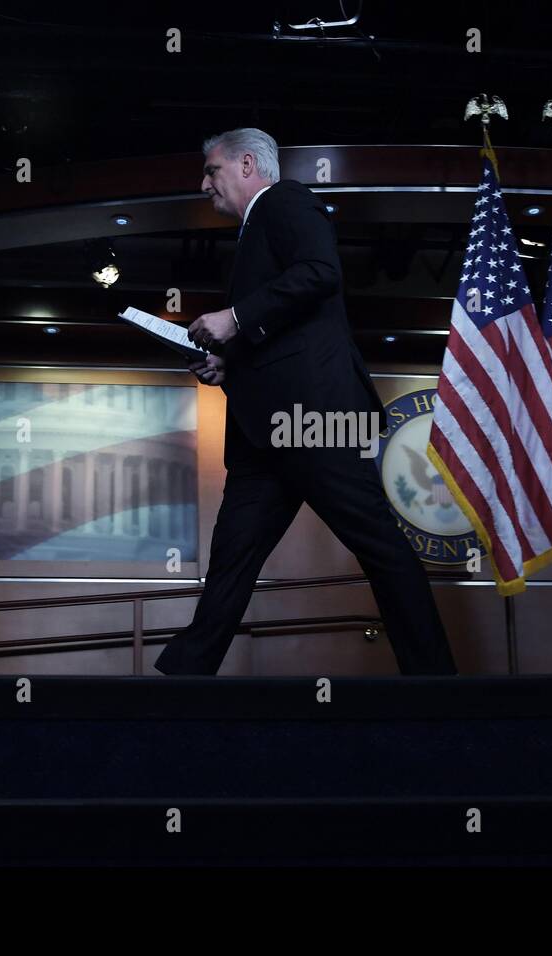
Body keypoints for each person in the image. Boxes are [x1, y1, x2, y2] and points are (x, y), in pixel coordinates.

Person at [153, 128, 458, 676]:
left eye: (211, 170)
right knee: (231, 560)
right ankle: (184, 675)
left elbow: (321, 273)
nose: (204, 184)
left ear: (247, 165)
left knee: (378, 546)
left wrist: (235, 318)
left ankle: (435, 678)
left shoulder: (286, 200)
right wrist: (227, 362)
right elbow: (285, 334)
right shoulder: (255, 232)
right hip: (265, 435)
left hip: (315, 421)